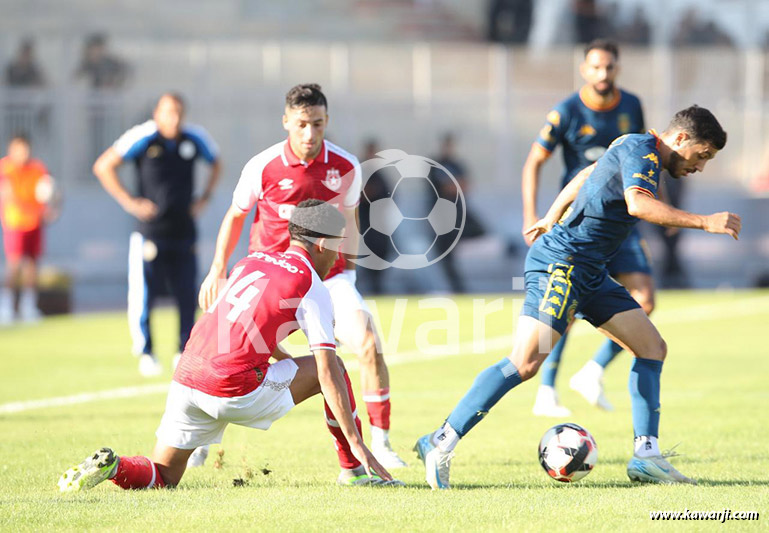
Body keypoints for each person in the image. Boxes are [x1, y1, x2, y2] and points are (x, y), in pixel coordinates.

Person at [415, 105, 740, 489]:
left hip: (589, 271)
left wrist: (552, 214)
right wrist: (704, 221)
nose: (699, 166)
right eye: (701, 156)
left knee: (651, 347)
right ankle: (441, 441)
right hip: (562, 265)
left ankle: (647, 456)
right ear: (681, 139)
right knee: (524, 362)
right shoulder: (643, 151)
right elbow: (637, 204)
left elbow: (587, 174)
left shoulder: (634, 146)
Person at [57, 200, 402, 491]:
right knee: (338, 367)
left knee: (163, 475)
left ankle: (114, 467)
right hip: (232, 387)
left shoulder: (250, 262)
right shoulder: (311, 285)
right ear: (323, 244)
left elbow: (237, 330)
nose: (339, 254)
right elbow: (326, 372)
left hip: (187, 377)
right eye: (339, 244)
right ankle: (353, 470)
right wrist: (359, 443)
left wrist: (281, 358)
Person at [198, 84, 408, 469]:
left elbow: (350, 220)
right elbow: (236, 216)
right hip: (269, 278)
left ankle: (382, 443)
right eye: (301, 125)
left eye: (317, 124)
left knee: (368, 342)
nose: (309, 134)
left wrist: (350, 274)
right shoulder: (262, 166)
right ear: (286, 123)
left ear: (327, 121)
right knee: (231, 355)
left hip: (327, 278)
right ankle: (201, 440)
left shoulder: (345, 166)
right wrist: (217, 270)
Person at [521, 39, 649, 417]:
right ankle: (546, 389)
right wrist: (532, 215)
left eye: (609, 67)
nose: (603, 74)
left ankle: (592, 372)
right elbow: (534, 162)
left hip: (624, 217)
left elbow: (646, 156)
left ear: (618, 68)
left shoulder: (632, 106)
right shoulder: (566, 112)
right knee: (569, 309)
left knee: (646, 297)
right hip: (581, 222)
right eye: (596, 68)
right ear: (584, 70)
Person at [93, 93, 221, 376]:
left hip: (184, 231)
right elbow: (103, 166)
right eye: (167, 112)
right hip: (150, 232)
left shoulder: (194, 138)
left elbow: (217, 161)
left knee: (188, 293)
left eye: (177, 112)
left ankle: (183, 350)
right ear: (157, 113)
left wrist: (205, 198)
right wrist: (130, 202)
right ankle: (147, 352)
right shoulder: (143, 137)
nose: (173, 118)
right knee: (145, 293)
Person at [0, 134, 56, 324]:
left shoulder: (38, 168)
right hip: (15, 222)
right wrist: (36, 210)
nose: (22, 153)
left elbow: (49, 192)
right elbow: (9, 195)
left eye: (25, 149)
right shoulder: (6, 168)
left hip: (35, 223)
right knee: (14, 264)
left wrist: (50, 210)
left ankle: (29, 306)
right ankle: (6, 306)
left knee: (32, 264)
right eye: (18, 149)